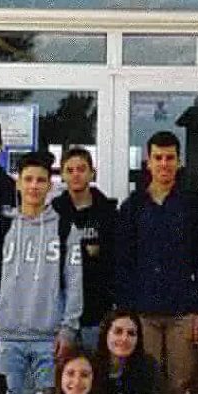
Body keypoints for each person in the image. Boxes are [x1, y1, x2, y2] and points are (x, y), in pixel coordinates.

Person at [0, 151, 83, 394]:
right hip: (6, 337)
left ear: (50, 186)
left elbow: (74, 283)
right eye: (28, 179)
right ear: (18, 183)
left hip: (49, 339)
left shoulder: (65, 230)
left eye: (40, 180)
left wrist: (68, 329)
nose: (34, 186)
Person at [115, 131, 198, 394]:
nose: (164, 164)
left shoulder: (192, 205)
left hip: (183, 311)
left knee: (183, 387)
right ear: (148, 162)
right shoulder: (133, 206)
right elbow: (123, 262)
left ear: (179, 162)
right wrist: (126, 312)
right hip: (143, 312)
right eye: (158, 158)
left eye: (170, 158)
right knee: (148, 386)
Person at [51, 147, 117, 351]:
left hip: (98, 311)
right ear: (62, 175)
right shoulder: (53, 212)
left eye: (81, 169)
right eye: (69, 170)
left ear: (92, 173)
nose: (76, 175)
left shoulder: (108, 212)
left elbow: (115, 260)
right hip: (60, 314)